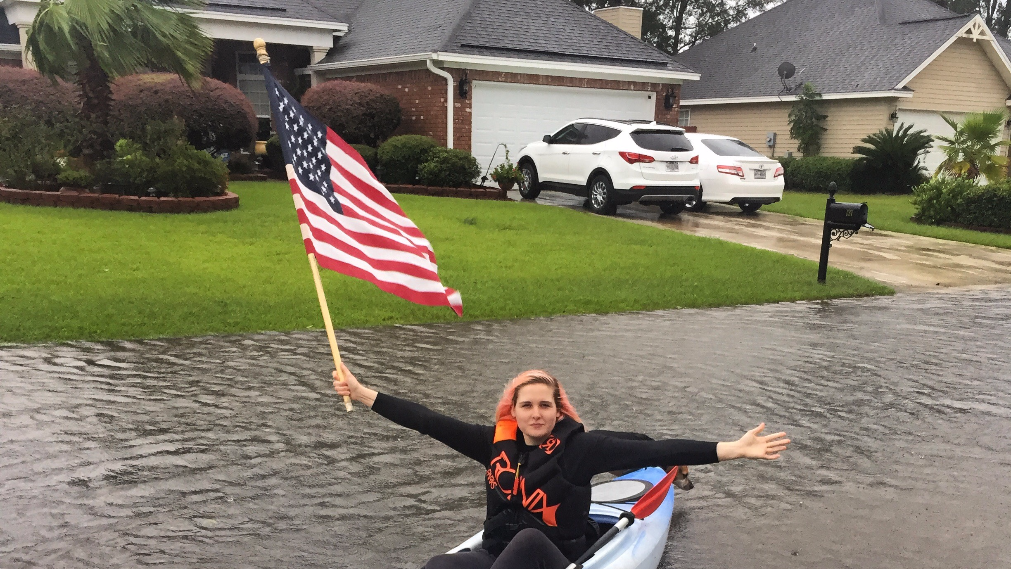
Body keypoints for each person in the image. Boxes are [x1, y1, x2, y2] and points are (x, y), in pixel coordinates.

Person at [332, 365, 789, 569]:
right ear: (514, 410)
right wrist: (363, 392)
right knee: (439, 565)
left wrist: (732, 448)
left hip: (560, 559)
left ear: (557, 411)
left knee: (530, 538)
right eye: (526, 405)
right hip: (496, 556)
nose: (535, 413)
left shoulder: (579, 450)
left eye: (544, 406)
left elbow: (654, 451)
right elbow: (428, 422)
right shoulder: (493, 443)